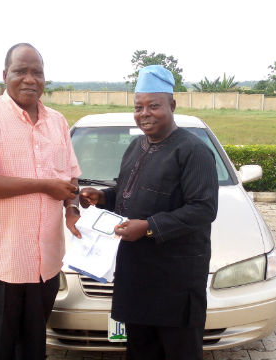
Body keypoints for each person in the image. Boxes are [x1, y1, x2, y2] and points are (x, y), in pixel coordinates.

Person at [80, 65, 219, 360]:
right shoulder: (136, 146)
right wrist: (103, 196)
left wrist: (148, 227)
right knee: (140, 350)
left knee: (179, 352)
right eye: (138, 106)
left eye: (153, 106)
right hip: (136, 275)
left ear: (172, 105)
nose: (145, 113)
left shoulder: (193, 152)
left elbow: (203, 209)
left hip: (175, 280)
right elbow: (127, 191)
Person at [0, 43, 82, 360]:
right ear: (4, 76)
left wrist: (72, 208)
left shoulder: (57, 122)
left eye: (36, 72)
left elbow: (70, 177)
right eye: (20, 71)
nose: (29, 79)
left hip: (45, 266)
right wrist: (43, 186)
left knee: (33, 350)